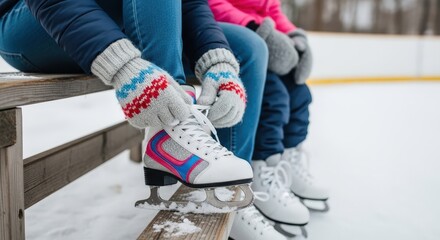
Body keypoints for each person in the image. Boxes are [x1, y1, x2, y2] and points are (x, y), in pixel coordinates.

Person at [0, 0, 265, 211]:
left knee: (248, 47)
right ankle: (170, 132)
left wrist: (217, 62)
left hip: (119, 14)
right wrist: (124, 67)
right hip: (32, 20)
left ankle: (230, 196)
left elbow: (191, 3)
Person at [209, 0, 330, 238]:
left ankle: (283, 161)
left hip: (263, 35)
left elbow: (273, 10)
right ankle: (260, 165)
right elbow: (212, 3)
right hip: (227, 32)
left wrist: (294, 36)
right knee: (274, 95)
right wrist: (256, 27)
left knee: (299, 91)